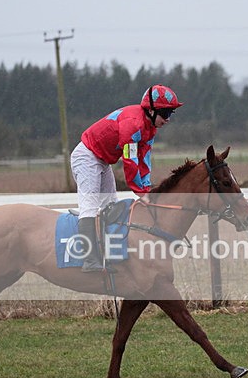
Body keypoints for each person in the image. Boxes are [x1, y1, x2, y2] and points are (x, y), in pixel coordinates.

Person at [70, 84, 183, 272]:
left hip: (103, 161)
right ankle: (89, 260)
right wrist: (140, 192)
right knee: (90, 206)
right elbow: (129, 161)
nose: (168, 119)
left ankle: (107, 254)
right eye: (166, 113)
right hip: (87, 157)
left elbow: (144, 159)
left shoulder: (150, 128)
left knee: (110, 206)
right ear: (152, 110)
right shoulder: (133, 124)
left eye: (171, 114)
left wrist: (146, 188)